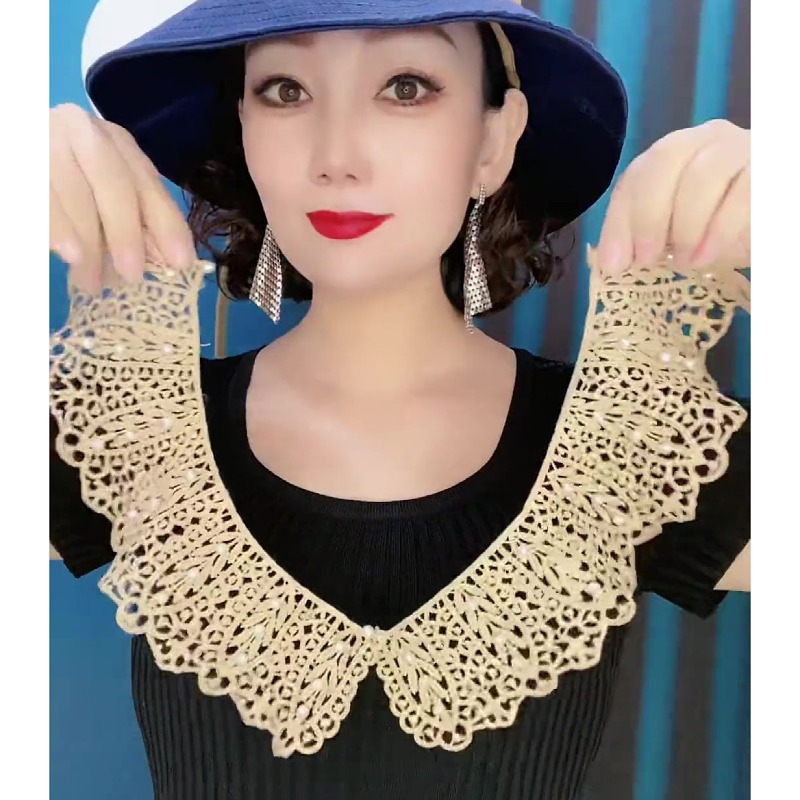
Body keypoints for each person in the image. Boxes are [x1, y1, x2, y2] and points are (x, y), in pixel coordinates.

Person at [49, 1, 751, 798]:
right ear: (243, 131)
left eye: (407, 86)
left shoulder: (646, 445)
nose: (337, 157)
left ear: (493, 143)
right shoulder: (114, 432)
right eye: (285, 90)